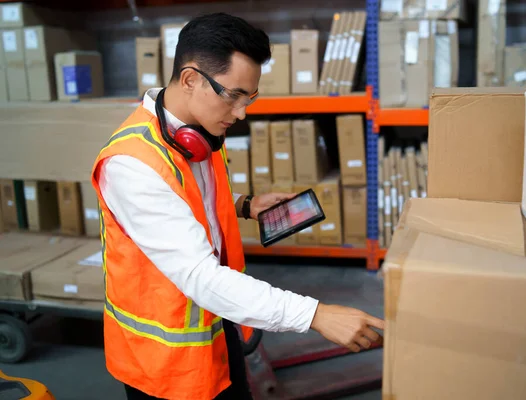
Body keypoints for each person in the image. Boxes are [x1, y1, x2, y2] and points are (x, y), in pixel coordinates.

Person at [90, 12, 384, 400]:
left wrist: (244, 205)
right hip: (165, 363)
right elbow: (200, 275)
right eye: (234, 96)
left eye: (250, 98)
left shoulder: (199, 131)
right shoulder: (131, 165)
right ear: (191, 79)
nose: (242, 112)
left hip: (219, 326)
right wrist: (315, 314)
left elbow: (186, 199)